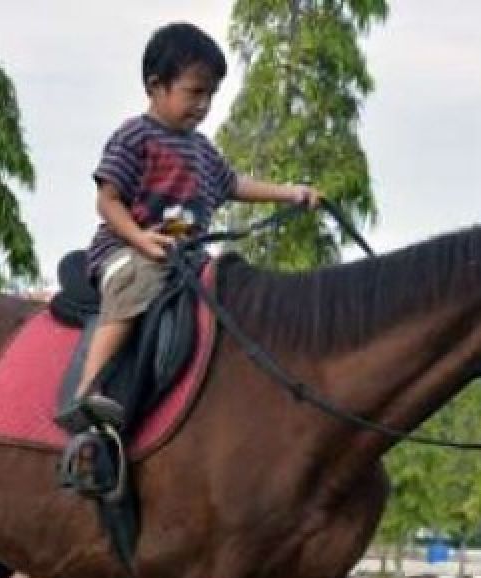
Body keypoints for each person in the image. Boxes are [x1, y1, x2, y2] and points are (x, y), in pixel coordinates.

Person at [55, 22, 321, 432]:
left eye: (210, 95)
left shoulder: (200, 147)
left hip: (183, 256)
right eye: (194, 92)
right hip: (128, 250)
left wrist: (289, 193)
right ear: (156, 86)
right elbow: (107, 201)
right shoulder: (135, 137)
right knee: (138, 281)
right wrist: (140, 238)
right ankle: (87, 390)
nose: (203, 105)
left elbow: (233, 184)